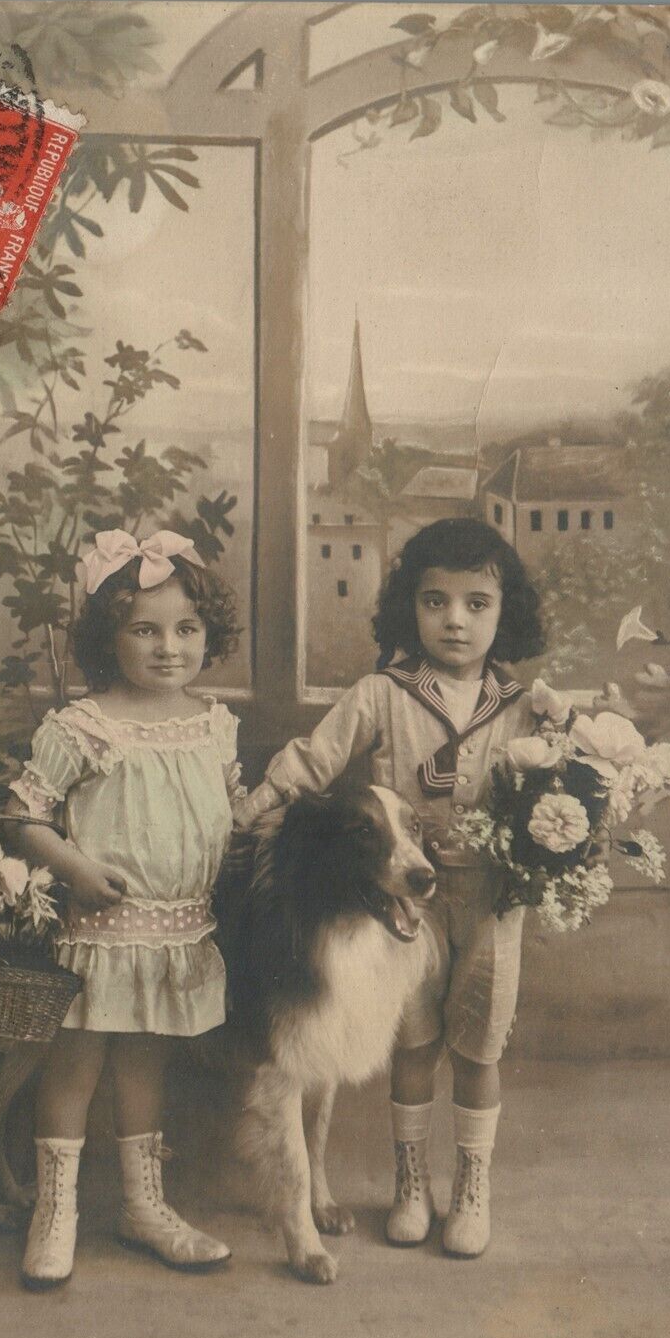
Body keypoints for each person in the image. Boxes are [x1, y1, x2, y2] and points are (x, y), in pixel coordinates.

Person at [235, 517, 545, 1257]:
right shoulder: (382, 692)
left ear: (504, 614)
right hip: (398, 898)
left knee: (479, 1045)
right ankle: (412, 1183)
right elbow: (312, 760)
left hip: (494, 893)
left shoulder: (522, 704)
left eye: (477, 604)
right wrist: (247, 815)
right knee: (412, 1040)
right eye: (435, 601)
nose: (455, 621)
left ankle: (472, 1186)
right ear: (409, 605)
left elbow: (561, 790)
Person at [7, 529, 243, 1289]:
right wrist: (73, 866)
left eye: (186, 629)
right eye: (145, 629)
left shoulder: (213, 725)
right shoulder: (81, 727)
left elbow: (226, 811)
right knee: (75, 1065)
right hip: (101, 929)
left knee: (146, 1062)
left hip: (177, 930)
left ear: (209, 634)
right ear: (109, 637)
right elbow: (20, 818)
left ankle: (144, 1206)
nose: (168, 647)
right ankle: (56, 1214)